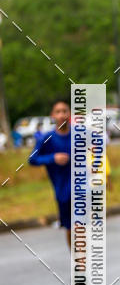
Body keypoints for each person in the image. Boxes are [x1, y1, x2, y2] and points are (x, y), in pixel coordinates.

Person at [28, 99, 72, 247]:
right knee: (71, 228)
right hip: (62, 190)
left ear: (69, 113)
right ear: (52, 115)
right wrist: (53, 158)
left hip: (82, 188)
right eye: (58, 112)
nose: (62, 115)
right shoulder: (46, 138)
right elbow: (32, 159)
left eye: (64, 111)